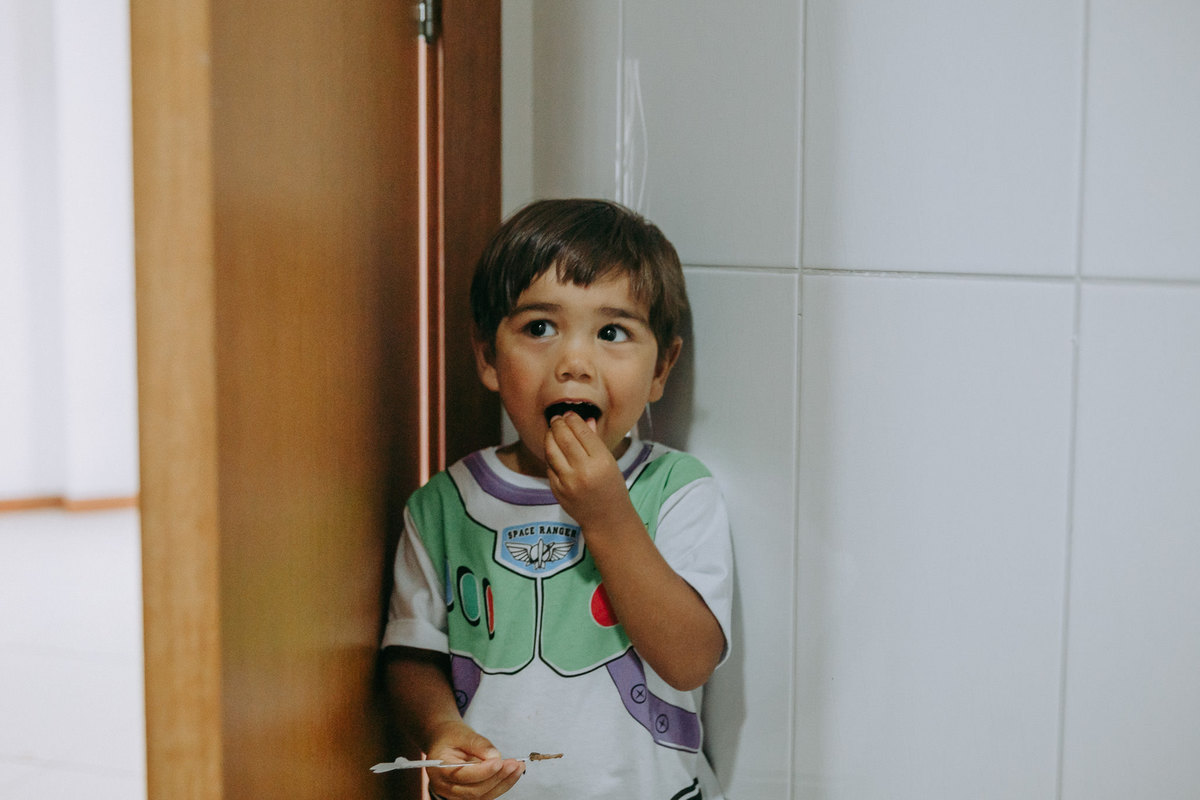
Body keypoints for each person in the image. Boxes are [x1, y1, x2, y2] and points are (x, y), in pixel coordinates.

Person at [382, 198, 733, 799]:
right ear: (489, 356)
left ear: (660, 369)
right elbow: (412, 655)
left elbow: (690, 660)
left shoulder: (676, 492)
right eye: (539, 328)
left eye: (612, 332)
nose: (574, 362)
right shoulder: (444, 506)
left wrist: (608, 516)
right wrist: (438, 728)